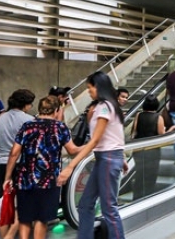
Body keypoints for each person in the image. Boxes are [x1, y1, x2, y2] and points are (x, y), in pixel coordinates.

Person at [58, 72, 128, 239]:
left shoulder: (104, 107)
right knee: (85, 205)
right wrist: (122, 158)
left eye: (90, 88)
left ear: (99, 87)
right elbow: (116, 135)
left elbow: (95, 140)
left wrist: (70, 166)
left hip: (108, 159)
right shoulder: (110, 106)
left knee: (109, 209)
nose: (89, 91)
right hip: (107, 159)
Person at [5, 97, 82, 239]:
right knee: (42, 218)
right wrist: (90, 146)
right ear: (57, 110)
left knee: (25, 217)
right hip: (49, 181)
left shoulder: (27, 126)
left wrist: (8, 177)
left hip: (25, 180)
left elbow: (14, 153)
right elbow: (72, 150)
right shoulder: (60, 127)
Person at [0, 89, 36, 239]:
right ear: (25, 104)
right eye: (30, 104)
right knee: (24, 204)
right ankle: (11, 235)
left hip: (1, 165)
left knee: (5, 205)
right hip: (21, 165)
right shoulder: (29, 120)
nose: (31, 107)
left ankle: (5, 236)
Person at [130, 94, 175, 199]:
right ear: (156, 105)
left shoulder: (138, 115)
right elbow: (162, 135)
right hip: (152, 151)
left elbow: (134, 133)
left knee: (139, 175)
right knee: (151, 176)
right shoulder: (158, 117)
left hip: (138, 150)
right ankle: (148, 197)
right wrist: (173, 128)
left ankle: (136, 198)